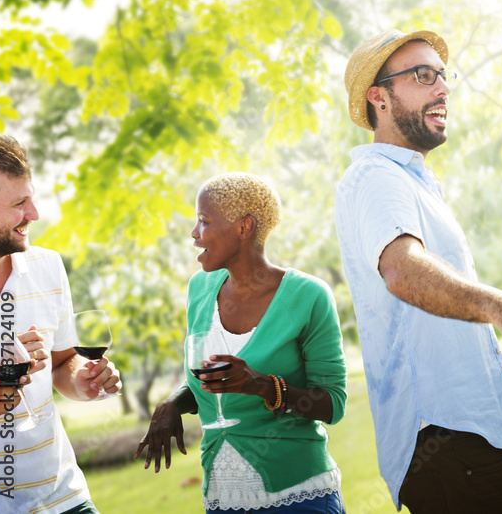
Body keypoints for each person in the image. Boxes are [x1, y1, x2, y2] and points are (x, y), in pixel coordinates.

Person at [335, 28, 502, 513]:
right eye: (422, 75)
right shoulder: (375, 176)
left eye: (443, 75)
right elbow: (403, 271)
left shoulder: (415, 183)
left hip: (474, 436)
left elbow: (443, 328)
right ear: (379, 97)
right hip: (450, 445)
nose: (442, 87)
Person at [136, 172, 347, 513]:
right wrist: (174, 402)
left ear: (244, 227)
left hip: (298, 495)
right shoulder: (200, 290)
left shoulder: (309, 296)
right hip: (223, 496)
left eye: (204, 221)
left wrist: (263, 387)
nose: (194, 233)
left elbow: (333, 403)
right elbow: (212, 377)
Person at [0, 132, 121, 514]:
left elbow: (62, 363)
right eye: (19, 203)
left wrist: (81, 381)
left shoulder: (47, 266)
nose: (34, 214)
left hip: (66, 497)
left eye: (31, 197)